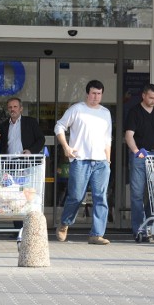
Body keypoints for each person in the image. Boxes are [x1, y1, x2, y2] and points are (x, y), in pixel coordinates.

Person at [55, 80, 112, 245]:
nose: (96, 97)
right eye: (93, 93)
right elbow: (59, 127)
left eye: (99, 94)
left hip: (101, 161)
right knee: (76, 196)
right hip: (80, 161)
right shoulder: (77, 109)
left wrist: (108, 160)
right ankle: (65, 223)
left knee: (100, 197)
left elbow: (107, 138)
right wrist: (66, 147)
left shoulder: (105, 113)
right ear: (87, 93)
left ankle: (96, 234)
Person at [124, 83, 154, 242]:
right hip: (140, 155)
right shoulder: (134, 112)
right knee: (137, 194)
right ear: (143, 95)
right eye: (151, 97)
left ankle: (148, 224)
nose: (153, 101)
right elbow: (129, 135)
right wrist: (137, 152)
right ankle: (139, 229)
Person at [0, 97, 46, 231]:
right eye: (10, 107)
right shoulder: (3, 125)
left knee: (28, 196)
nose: (13, 109)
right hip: (11, 165)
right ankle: (18, 230)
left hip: (28, 164)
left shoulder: (30, 122)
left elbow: (41, 139)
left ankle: (29, 229)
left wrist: (31, 151)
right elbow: (0, 144)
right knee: (14, 197)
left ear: (21, 108)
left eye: (15, 107)